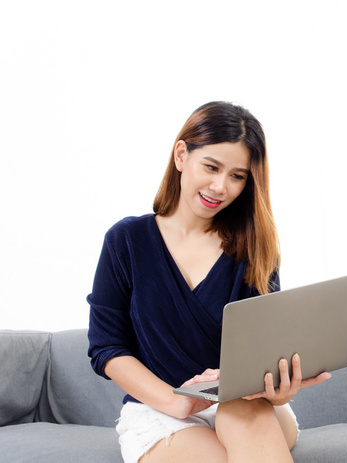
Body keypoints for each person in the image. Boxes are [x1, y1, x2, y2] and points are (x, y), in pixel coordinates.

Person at [87, 101, 330, 463]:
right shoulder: (127, 241)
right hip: (158, 409)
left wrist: (278, 392)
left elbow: (265, 349)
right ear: (182, 154)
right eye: (212, 167)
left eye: (237, 176)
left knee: (238, 409)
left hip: (248, 406)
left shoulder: (255, 250)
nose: (221, 187)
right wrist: (176, 401)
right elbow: (107, 348)